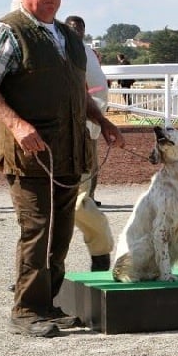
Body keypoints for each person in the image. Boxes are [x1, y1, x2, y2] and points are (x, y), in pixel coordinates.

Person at [0, 0, 124, 337]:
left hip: (68, 151)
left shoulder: (68, 37)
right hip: (29, 155)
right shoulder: (8, 31)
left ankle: (48, 304)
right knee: (38, 230)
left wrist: (102, 121)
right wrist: (16, 124)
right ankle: (26, 310)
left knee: (60, 233)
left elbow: (77, 91)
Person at [64, 14, 115, 271]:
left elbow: (95, 91)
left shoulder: (80, 52)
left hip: (79, 132)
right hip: (53, 135)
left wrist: (98, 124)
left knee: (78, 199)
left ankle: (100, 250)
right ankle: (34, 270)